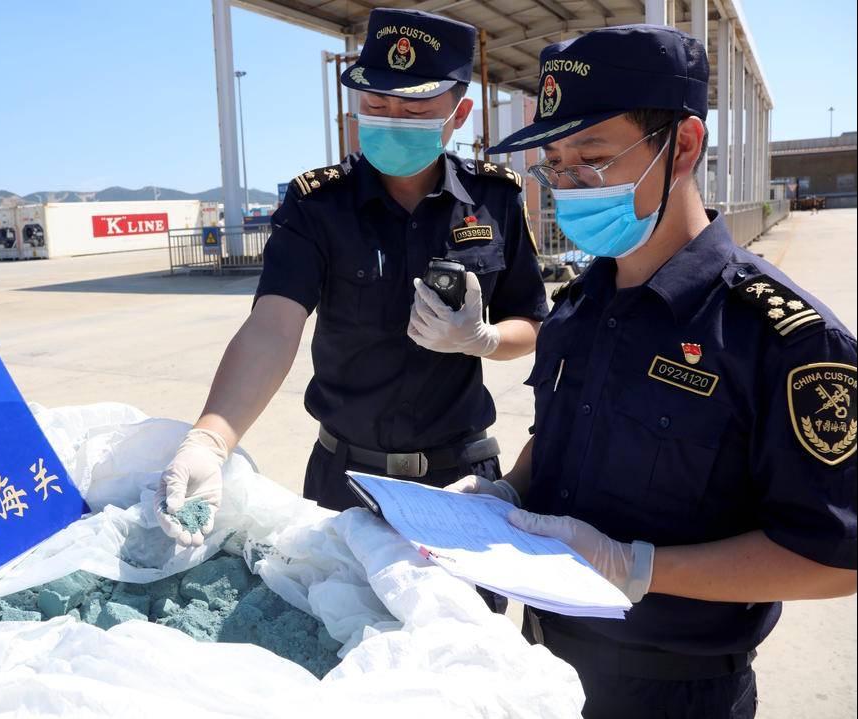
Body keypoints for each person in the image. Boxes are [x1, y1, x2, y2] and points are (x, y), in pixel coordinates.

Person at [449, 24, 857, 718]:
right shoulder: (577, 309)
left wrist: (636, 567)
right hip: (537, 665)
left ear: (684, 146)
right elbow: (564, 435)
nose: (568, 185)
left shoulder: (781, 337)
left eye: (592, 157)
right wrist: (504, 493)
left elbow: (834, 556)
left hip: (675, 693)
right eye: (555, 163)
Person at [155, 7, 546, 548]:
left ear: (459, 114)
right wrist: (211, 438)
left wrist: (482, 339)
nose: (389, 119)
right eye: (375, 104)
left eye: (413, 108)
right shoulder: (318, 203)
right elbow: (273, 325)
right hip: (344, 481)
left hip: (461, 481)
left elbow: (530, 319)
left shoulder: (496, 198)